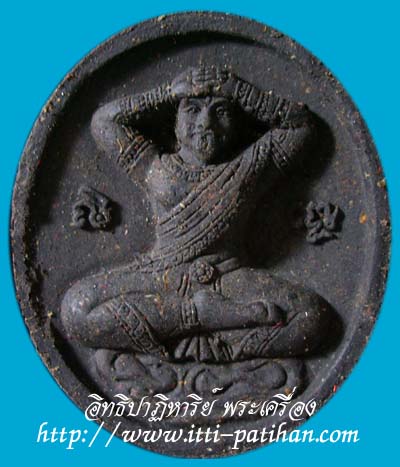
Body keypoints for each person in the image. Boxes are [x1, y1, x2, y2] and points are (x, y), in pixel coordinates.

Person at [61, 66, 333, 363]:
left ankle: (226, 344)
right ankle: (199, 316)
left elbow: (300, 126)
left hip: (227, 277)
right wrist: (166, 93)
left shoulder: (248, 167)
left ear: (238, 124)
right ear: (175, 123)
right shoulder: (154, 167)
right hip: (162, 275)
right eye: (192, 110)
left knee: (312, 317)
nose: (206, 123)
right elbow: (104, 122)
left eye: (221, 112)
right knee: (76, 309)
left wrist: (238, 91)